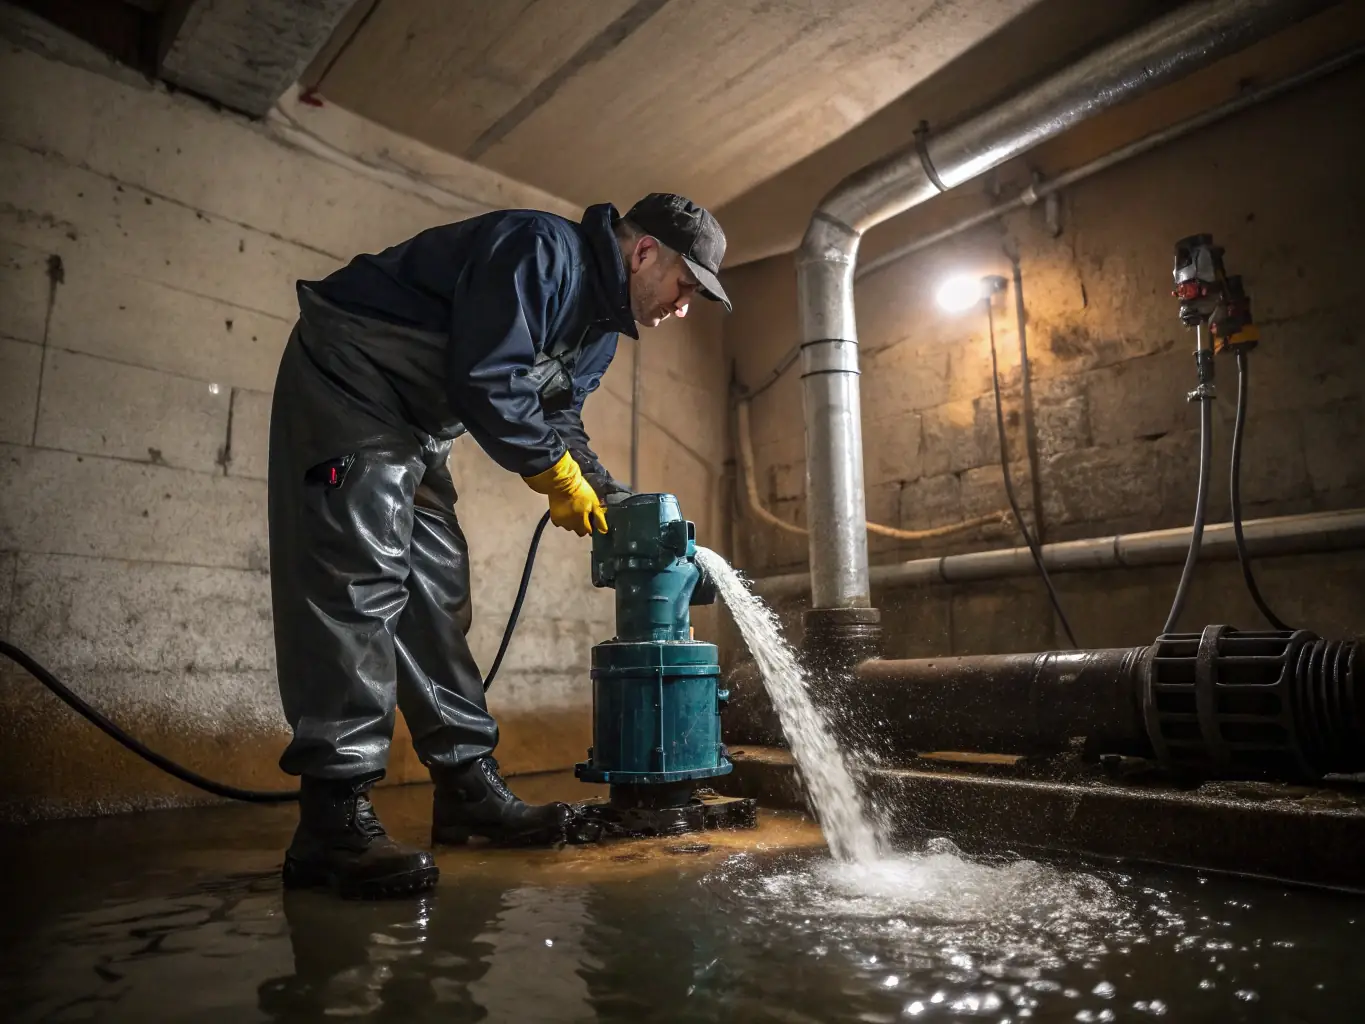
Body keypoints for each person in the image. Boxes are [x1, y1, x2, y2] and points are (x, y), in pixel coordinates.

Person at [267, 193, 731, 898]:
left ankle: (466, 790)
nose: (681, 307)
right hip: (351, 380)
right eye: (685, 287)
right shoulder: (538, 248)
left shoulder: (600, 329)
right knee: (358, 581)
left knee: (437, 595)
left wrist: (606, 496)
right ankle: (331, 817)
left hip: (419, 427)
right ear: (644, 253)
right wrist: (551, 476)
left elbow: (559, 419)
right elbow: (485, 376)